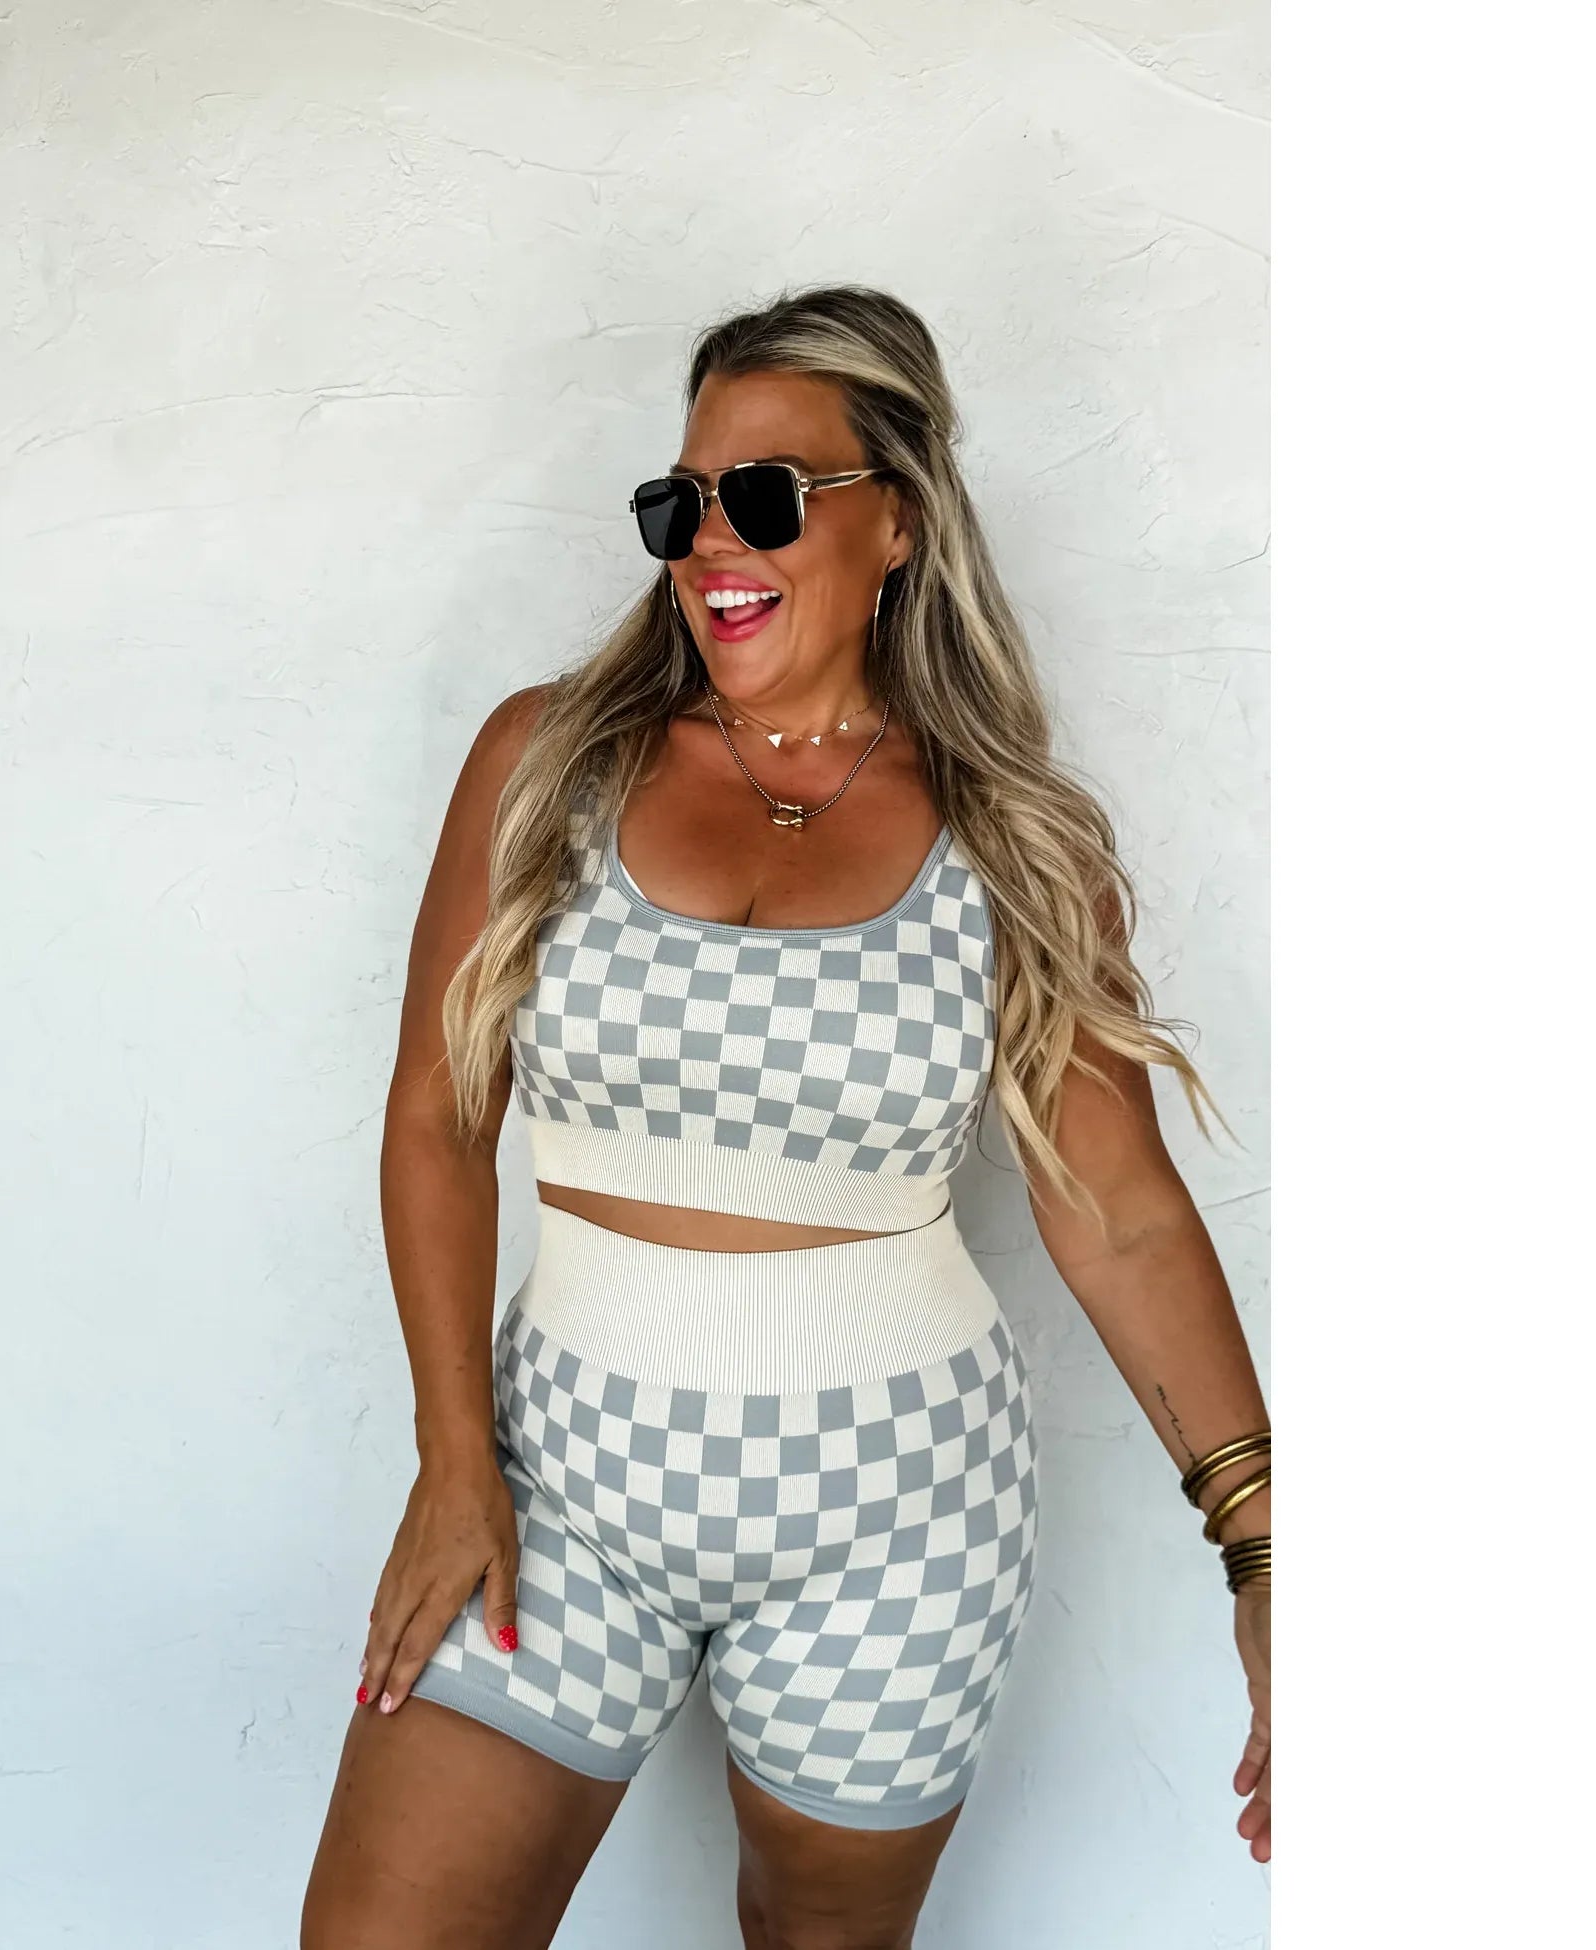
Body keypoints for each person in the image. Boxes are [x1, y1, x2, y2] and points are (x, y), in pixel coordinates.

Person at [300, 284, 1270, 1950]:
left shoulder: (1010, 839)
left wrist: (1268, 1558)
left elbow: (1114, 1207)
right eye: (678, 502)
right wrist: (454, 1459)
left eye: (764, 495)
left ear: (896, 519)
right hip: (556, 1483)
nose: (708, 542)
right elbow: (435, 1120)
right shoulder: (546, 763)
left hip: (898, 1520)